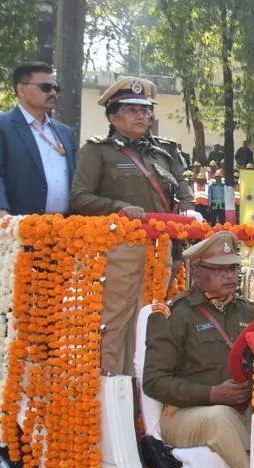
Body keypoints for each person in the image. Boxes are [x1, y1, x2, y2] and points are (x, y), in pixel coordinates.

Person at [71, 77, 198, 376]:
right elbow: (79, 197)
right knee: (116, 319)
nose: (142, 116)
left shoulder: (163, 152)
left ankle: (143, 385)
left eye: (146, 110)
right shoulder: (98, 151)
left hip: (163, 250)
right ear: (113, 117)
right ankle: (113, 385)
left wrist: (189, 216)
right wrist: (117, 208)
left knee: (151, 318)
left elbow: (183, 193)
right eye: (132, 110)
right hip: (120, 249)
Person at [142, 230, 254, 468]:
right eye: (219, 269)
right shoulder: (173, 314)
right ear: (196, 273)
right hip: (185, 414)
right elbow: (153, 381)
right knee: (221, 417)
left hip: (241, 407)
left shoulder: (247, 311)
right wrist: (212, 394)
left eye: (232, 268)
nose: (229, 275)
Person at [1, 61, 76, 216]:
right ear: (21, 89)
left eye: (56, 88)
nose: (53, 93)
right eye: (46, 87)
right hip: (18, 224)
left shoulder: (65, 132)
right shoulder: (4, 126)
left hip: (64, 224)